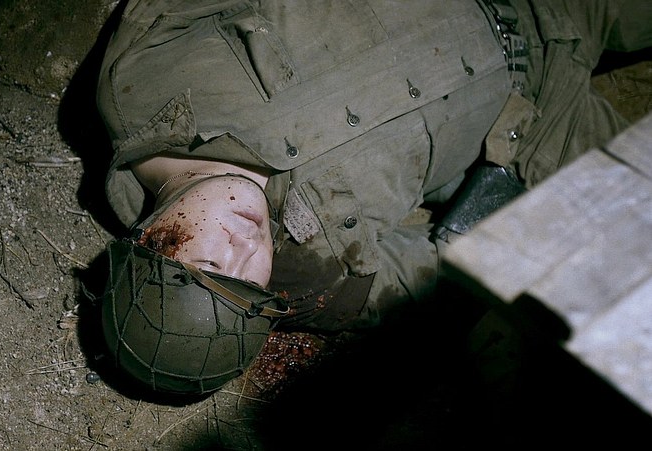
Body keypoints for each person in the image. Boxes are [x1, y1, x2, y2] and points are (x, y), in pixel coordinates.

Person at [92, 0, 652, 395]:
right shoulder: (311, 281)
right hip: (544, 110)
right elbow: (444, 270)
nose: (247, 251)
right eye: (250, 286)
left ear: (150, 239)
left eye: (213, 265)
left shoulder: (143, 78)